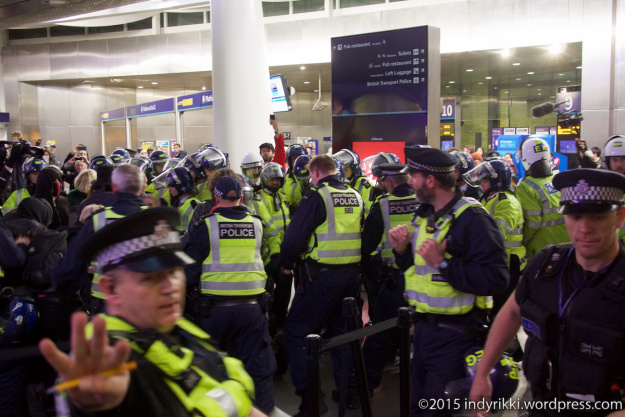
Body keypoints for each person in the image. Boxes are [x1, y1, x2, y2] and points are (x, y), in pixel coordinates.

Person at [38, 207, 264, 417]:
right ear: (111, 288)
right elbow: (95, 392)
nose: (171, 287)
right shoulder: (108, 356)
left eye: (174, 271)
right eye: (150, 278)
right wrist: (96, 406)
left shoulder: (173, 326)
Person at [469, 168, 625, 417]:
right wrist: (483, 372)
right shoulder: (547, 265)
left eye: (597, 217)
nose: (584, 228)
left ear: (619, 217)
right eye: (574, 216)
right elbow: (511, 312)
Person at [388, 145, 509, 416]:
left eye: (414, 176)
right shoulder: (425, 214)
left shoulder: (473, 219)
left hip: (456, 336)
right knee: (418, 407)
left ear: (430, 180)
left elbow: (496, 279)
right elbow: (421, 273)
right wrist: (402, 252)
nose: (410, 181)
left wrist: (442, 263)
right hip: (424, 331)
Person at [184, 176, 278, 416]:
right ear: (240, 196)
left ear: (216, 196)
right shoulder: (256, 223)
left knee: (211, 370)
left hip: (214, 311)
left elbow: (188, 270)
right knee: (258, 370)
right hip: (253, 310)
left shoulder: (206, 225)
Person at [280, 155, 364, 416]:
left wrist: (286, 262)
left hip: (321, 277)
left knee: (296, 332)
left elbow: (295, 236)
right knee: (343, 335)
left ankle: (311, 400)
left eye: (309, 175)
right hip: (351, 277)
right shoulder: (355, 195)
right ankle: (347, 391)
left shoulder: (317, 196)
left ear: (316, 172)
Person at [53, 164, 147, 313]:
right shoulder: (156, 219)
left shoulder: (99, 220)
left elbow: (71, 264)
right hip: (145, 305)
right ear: (142, 188)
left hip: (107, 303)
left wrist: (63, 290)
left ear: (115, 188)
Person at [361, 153, 416, 396]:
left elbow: (367, 244)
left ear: (390, 182)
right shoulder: (425, 202)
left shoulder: (382, 205)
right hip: (425, 281)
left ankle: (363, 384)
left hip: (395, 280)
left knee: (379, 334)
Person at [463, 159, 526, 316]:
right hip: (496, 260)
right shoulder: (488, 198)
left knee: (500, 310)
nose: (482, 183)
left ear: (496, 181)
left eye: (485, 180)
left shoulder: (507, 203)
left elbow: (495, 234)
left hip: (509, 263)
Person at [249, 162, 290, 336]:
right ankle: (269, 326)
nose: (275, 183)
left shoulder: (284, 197)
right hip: (267, 256)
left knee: (284, 293)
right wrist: (274, 254)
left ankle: (279, 323)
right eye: (273, 179)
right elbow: (267, 229)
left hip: (285, 254)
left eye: (278, 180)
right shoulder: (258, 199)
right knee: (267, 295)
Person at [515, 137, 570, 258]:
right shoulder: (559, 178)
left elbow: (533, 223)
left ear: (525, 159)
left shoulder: (526, 186)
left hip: (543, 250)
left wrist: (524, 241)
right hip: (567, 245)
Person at [333, 148, 379, 216]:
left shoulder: (365, 187)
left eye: (345, 169)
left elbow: (369, 212)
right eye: (340, 170)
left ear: (354, 169)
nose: (341, 173)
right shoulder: (337, 185)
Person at [163, 166, 200, 232]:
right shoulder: (177, 203)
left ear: (181, 186)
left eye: (172, 186)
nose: (169, 189)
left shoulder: (194, 204)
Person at [603, 135, 625, 243]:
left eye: (623, 159)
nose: (619, 164)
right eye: (615, 159)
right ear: (608, 161)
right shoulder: (604, 190)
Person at [281, 144, 308, 215]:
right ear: (289, 161)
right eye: (294, 158)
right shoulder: (284, 179)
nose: (297, 160)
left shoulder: (311, 177)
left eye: (300, 157)